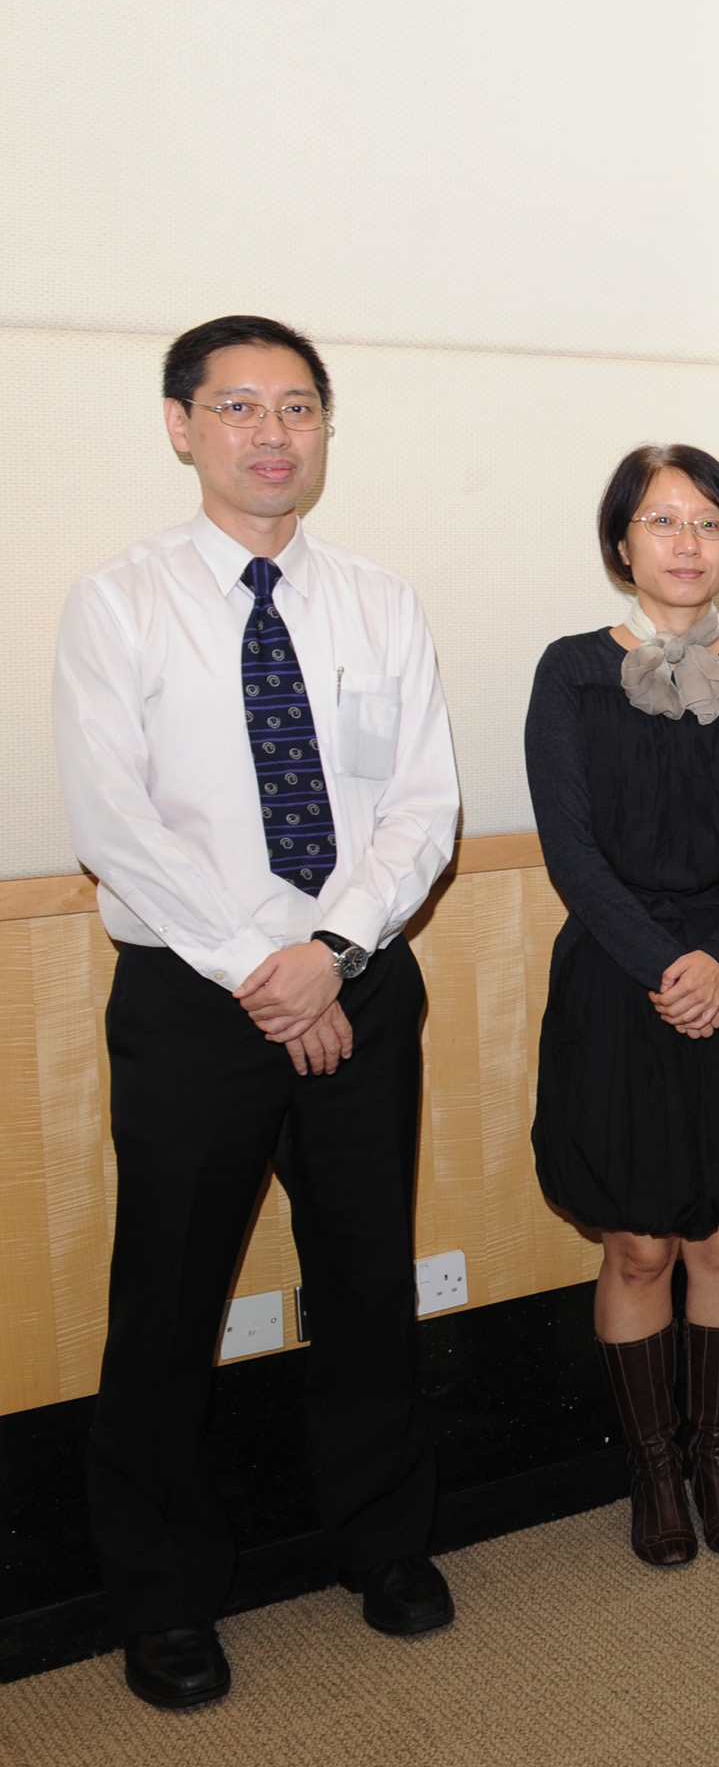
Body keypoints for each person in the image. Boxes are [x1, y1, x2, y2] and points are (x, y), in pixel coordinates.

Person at [54, 317, 460, 1710]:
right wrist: (262, 969)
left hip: (356, 980)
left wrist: (333, 949)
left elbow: (422, 803)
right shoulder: (118, 606)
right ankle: (164, 1596)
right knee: (166, 1298)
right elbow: (120, 824)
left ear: (324, 432)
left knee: (366, 1278)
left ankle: (384, 1543)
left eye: (296, 407)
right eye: (238, 407)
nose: (270, 433)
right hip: (191, 996)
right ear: (183, 427)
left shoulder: (378, 602)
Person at [526, 445, 719, 1564]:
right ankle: (653, 1471)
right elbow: (572, 848)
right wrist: (664, 964)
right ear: (621, 543)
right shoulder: (570, 671)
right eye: (662, 521)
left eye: (708, 522)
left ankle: (716, 1456)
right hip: (618, 977)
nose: (687, 543)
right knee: (640, 1242)